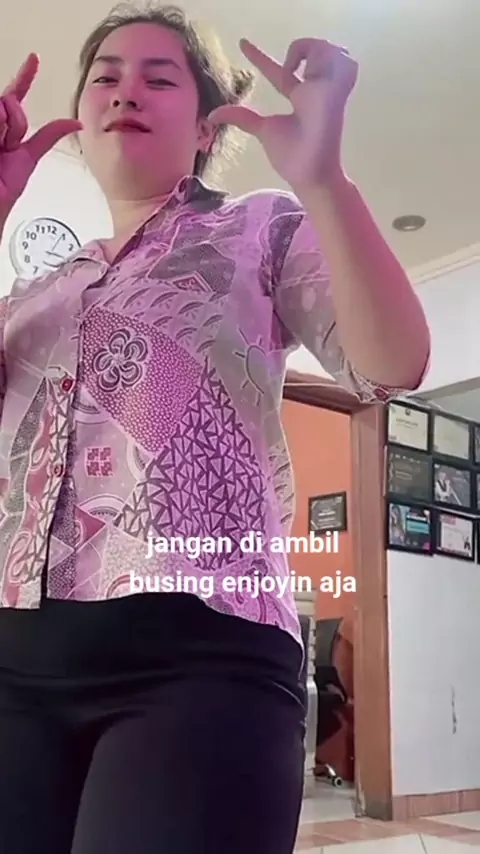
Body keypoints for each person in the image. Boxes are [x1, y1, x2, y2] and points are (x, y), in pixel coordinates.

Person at [0, 4, 430, 853]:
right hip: (14, 660)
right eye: (105, 76)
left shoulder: (259, 227)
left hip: (202, 656)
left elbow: (391, 366)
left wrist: (325, 183)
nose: (126, 91)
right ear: (78, 119)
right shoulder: (34, 294)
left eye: (159, 78)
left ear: (206, 127)